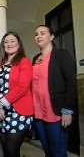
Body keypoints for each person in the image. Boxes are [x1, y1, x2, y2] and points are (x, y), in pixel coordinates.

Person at [32, 25, 76, 157]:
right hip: (39, 113)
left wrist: (67, 110)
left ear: (51, 37)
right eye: (36, 34)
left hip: (56, 112)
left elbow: (71, 83)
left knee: (58, 152)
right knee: (47, 150)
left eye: (42, 33)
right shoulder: (35, 59)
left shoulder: (61, 54)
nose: (38, 36)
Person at [0, 31, 33, 157]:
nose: (9, 44)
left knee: (12, 151)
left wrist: (1, 104)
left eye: (12, 41)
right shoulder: (0, 64)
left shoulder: (24, 61)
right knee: (6, 151)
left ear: (19, 45)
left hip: (18, 112)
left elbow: (23, 87)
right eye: (6, 42)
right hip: (0, 114)